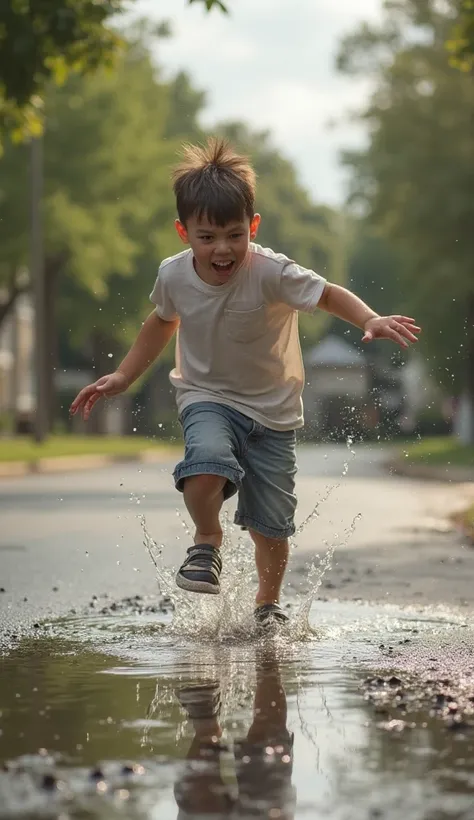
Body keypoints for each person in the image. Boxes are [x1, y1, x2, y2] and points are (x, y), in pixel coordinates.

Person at [70, 138, 420, 631]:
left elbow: (327, 295)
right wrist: (125, 374)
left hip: (274, 415)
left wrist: (370, 317)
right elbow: (160, 322)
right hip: (206, 395)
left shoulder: (272, 271)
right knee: (205, 462)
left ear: (252, 228)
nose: (222, 249)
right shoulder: (173, 276)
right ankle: (206, 540)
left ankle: (268, 604)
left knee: (271, 526)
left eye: (234, 235)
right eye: (207, 236)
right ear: (184, 232)